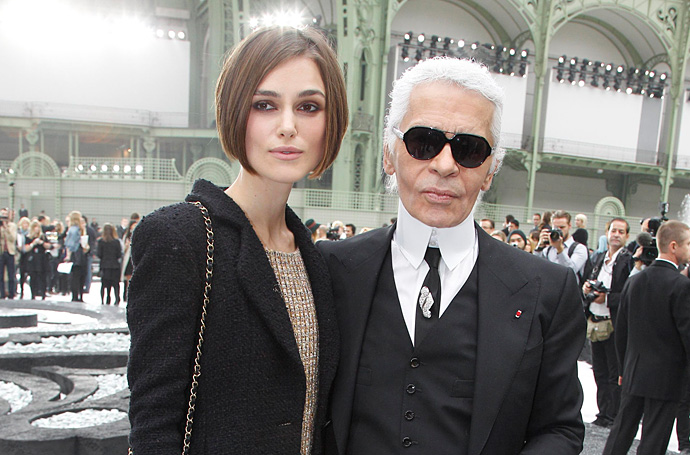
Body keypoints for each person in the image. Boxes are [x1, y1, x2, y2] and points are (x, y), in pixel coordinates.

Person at [317, 57, 585, 455]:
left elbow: (560, 428)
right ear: (389, 154)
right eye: (423, 143)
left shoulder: (547, 289)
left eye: (469, 149)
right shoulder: (331, 269)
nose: (444, 165)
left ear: (490, 170)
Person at [127, 25, 348, 455]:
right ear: (235, 112)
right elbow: (153, 425)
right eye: (265, 105)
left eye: (308, 106)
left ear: (330, 121)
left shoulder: (314, 259)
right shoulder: (181, 239)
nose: (288, 127)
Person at [602, 220, 690, 455]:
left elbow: (621, 329)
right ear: (673, 246)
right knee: (654, 438)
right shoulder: (681, 285)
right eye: (688, 244)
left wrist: (623, 367)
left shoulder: (634, 281)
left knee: (621, 431)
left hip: (634, 369)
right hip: (667, 376)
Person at [581, 218, 633, 428]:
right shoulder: (599, 258)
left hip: (614, 323)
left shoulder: (627, 261)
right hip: (595, 321)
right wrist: (587, 289)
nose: (616, 235)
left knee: (614, 372)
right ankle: (603, 412)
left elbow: (630, 293)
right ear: (607, 232)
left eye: (621, 231)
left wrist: (608, 298)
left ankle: (613, 414)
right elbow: (586, 278)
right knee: (599, 371)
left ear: (627, 236)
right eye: (613, 230)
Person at [537, 210, 588, 283]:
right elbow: (537, 267)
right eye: (555, 228)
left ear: (569, 226)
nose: (559, 231)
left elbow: (571, 271)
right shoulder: (549, 249)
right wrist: (539, 246)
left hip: (569, 289)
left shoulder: (579, 248)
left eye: (562, 227)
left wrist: (560, 250)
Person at [63, 210, 89, 302]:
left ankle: (75, 296)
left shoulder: (71, 229)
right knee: (81, 276)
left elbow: (68, 244)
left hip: (75, 255)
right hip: (80, 254)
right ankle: (80, 295)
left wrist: (68, 255)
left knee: (75, 277)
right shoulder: (79, 229)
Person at [23, 220, 51, 300]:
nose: (36, 229)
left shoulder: (43, 236)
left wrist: (42, 243)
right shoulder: (28, 237)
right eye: (35, 227)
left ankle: (43, 293)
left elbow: (49, 246)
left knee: (42, 276)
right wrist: (33, 244)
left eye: (38, 227)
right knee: (33, 276)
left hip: (42, 258)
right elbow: (26, 248)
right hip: (33, 259)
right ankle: (33, 294)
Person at [97, 223, 122, 305]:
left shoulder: (101, 242)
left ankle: (105, 299)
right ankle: (117, 298)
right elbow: (119, 254)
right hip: (115, 265)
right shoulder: (116, 242)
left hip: (104, 265)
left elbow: (99, 254)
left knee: (104, 284)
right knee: (116, 284)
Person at [0, 208, 18, 299]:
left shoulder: (12, 226)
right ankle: (2, 293)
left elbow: (13, 238)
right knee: (0, 274)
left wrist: (6, 229)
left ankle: (11, 293)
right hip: (1, 252)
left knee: (11, 274)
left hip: (10, 252)